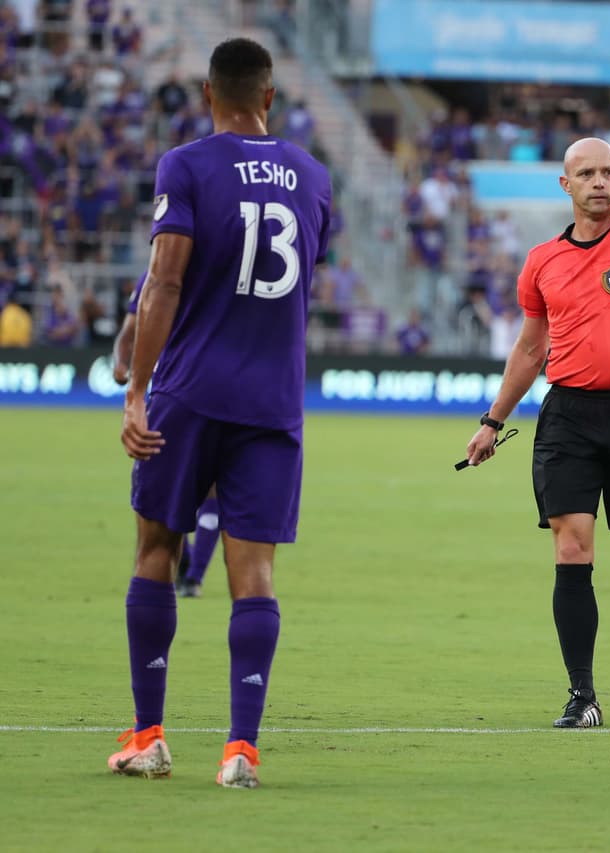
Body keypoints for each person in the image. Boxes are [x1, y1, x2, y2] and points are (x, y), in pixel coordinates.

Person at [460, 40, 610, 729]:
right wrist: (492, 419)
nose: (600, 182)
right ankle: (582, 694)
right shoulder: (541, 261)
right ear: (565, 185)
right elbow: (530, 347)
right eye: (587, 173)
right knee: (571, 546)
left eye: (609, 172)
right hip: (566, 415)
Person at [110, 37, 331, 788]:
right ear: (270, 96)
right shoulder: (313, 176)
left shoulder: (186, 165)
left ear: (209, 93)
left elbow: (167, 280)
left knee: (155, 549)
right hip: (273, 400)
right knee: (255, 572)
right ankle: (241, 749)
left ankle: (148, 737)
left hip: (191, 392)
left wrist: (137, 391)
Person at [113, 274, 221, 599]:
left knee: (207, 488)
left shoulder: (200, 265)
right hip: (172, 393)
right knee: (169, 488)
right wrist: (121, 364)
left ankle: (193, 575)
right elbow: (128, 332)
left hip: (198, 389)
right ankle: (187, 567)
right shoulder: (155, 276)